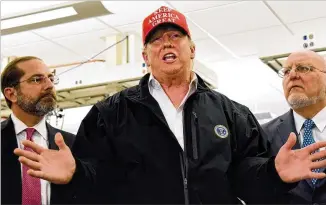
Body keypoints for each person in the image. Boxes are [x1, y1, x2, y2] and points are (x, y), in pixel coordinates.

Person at [13, 6, 326, 204]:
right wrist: (76, 174)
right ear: (145, 56)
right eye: (156, 40)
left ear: (191, 48)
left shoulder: (232, 114)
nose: (167, 43)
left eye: (175, 36)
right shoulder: (108, 115)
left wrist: (274, 173)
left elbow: (248, 178)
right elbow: (97, 182)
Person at [1, 56, 75, 205]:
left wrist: (77, 176)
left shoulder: (72, 145)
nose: (49, 85)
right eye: (37, 79)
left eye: (51, 79)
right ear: (11, 94)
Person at [262, 50, 326, 204]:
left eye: (304, 68)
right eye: (286, 71)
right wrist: (275, 176)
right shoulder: (262, 134)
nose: (292, 75)